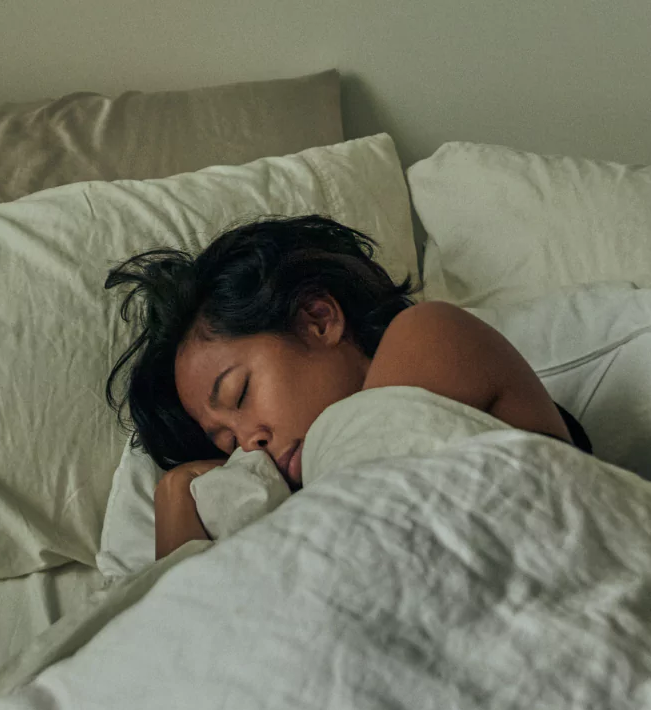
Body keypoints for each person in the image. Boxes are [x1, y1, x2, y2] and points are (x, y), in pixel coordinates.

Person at [105, 215, 591, 559]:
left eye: (239, 395)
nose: (248, 443)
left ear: (318, 320)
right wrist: (175, 498)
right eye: (225, 442)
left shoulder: (429, 335)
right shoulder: (301, 500)